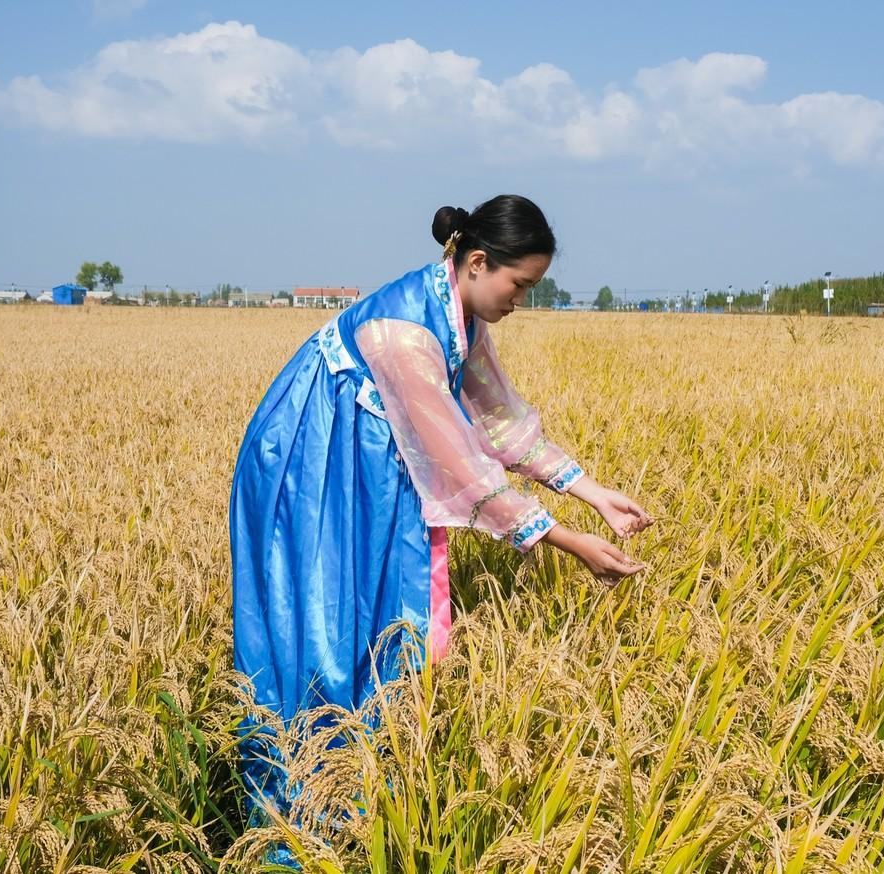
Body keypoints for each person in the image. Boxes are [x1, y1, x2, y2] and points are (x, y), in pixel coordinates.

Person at [229, 194, 653, 825]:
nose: (522, 300)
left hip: (371, 456)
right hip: (314, 460)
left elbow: (501, 420)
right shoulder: (404, 332)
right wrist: (571, 541)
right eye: (520, 284)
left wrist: (592, 491)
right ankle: (299, 800)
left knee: (378, 610)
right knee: (325, 613)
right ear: (478, 261)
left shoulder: (463, 316)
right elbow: (460, 465)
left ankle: (358, 785)